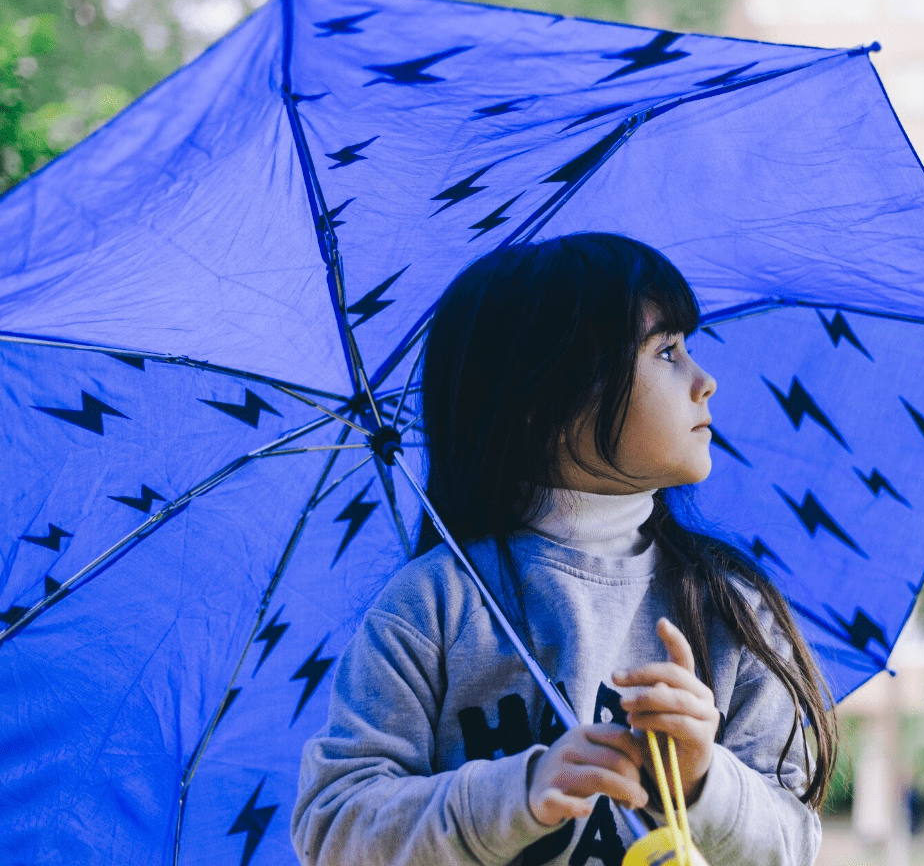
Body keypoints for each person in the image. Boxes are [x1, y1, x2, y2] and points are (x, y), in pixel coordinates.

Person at [291, 232, 837, 866]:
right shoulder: (434, 606)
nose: (705, 381)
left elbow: (792, 844)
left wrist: (700, 780)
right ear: (544, 399)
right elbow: (333, 827)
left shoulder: (728, 608)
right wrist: (518, 795)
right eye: (666, 352)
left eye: (689, 349)